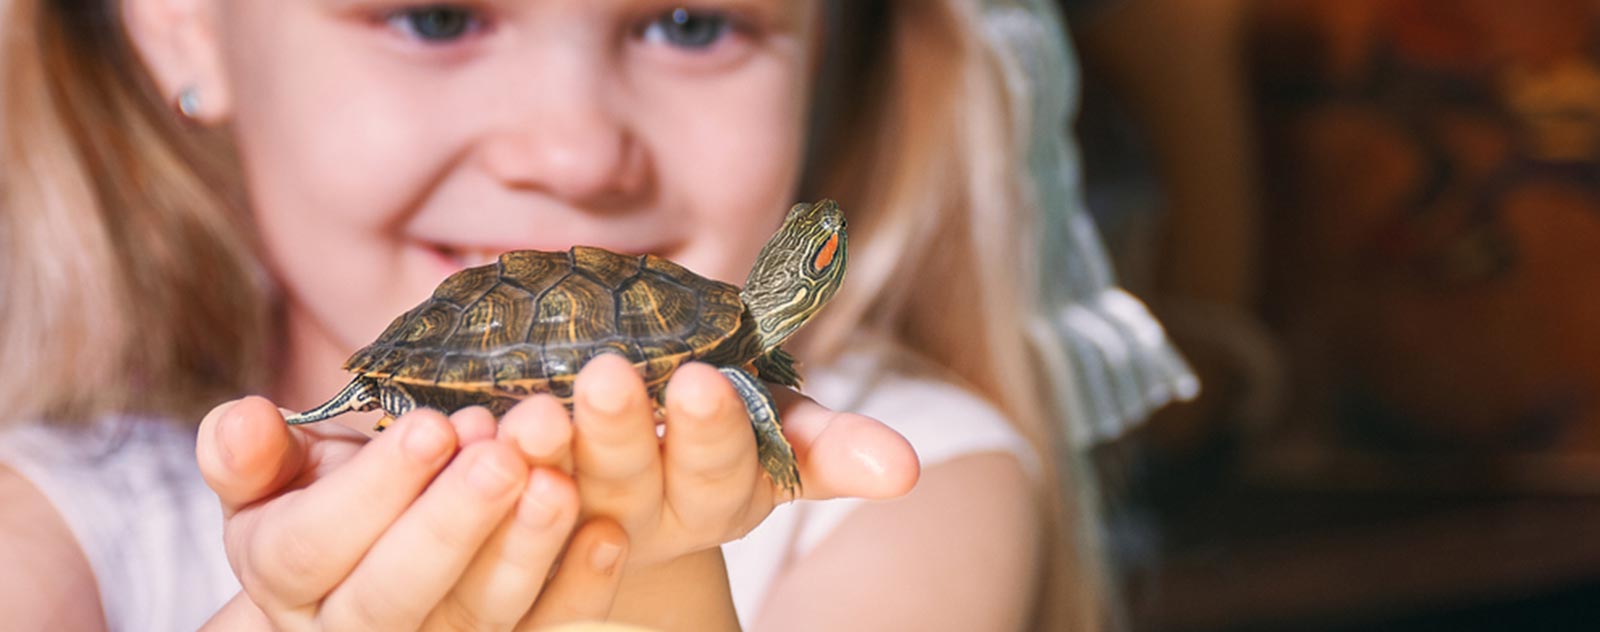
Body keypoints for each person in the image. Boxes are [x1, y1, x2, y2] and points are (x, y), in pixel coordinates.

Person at [0, 0, 1191, 630]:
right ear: (184, 19)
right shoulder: (49, 514)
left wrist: (645, 595)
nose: (573, 151)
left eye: (688, 23)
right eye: (434, 14)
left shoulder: (905, 476)